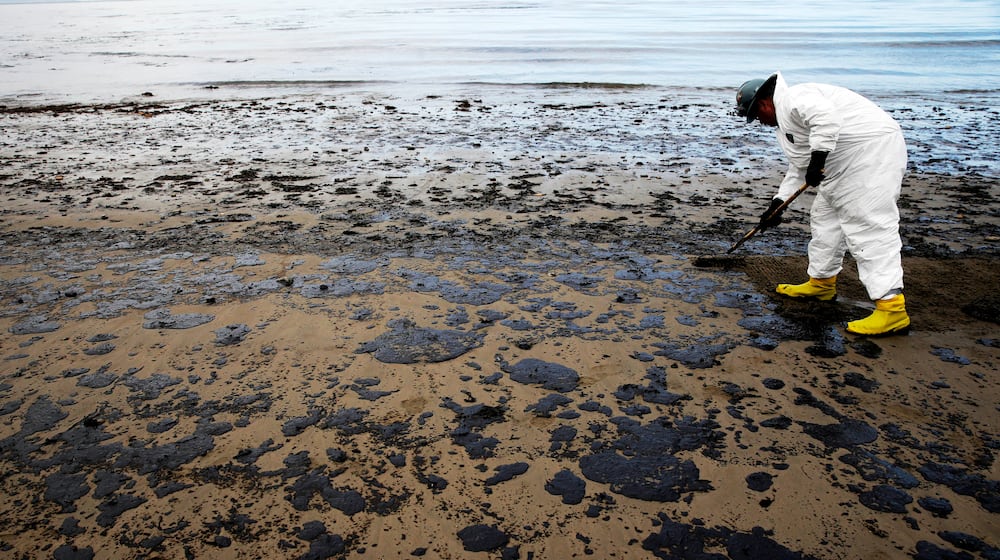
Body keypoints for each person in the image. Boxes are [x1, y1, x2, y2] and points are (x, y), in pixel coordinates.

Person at [734, 71, 910, 336]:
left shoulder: (795, 98)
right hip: (841, 162)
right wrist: (777, 205)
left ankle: (892, 309)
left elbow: (825, 119)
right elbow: (798, 168)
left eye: (756, 115)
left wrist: (818, 159)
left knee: (867, 225)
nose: (759, 122)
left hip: (870, 152)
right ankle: (822, 282)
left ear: (763, 103)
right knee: (825, 218)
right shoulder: (786, 125)